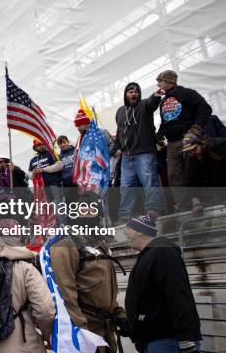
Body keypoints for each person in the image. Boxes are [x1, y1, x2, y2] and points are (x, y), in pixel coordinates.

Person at [50, 195, 128, 352]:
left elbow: (106, 289)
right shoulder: (65, 246)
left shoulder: (101, 246)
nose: (86, 213)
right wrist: (83, 333)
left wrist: (119, 315)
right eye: (82, 209)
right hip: (87, 334)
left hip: (107, 331)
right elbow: (66, 295)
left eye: (91, 209)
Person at [124, 215, 201, 352]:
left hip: (168, 340)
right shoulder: (150, 254)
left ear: (140, 231)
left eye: (128, 229)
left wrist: (185, 338)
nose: (125, 233)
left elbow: (178, 295)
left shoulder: (163, 252)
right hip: (156, 339)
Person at [156, 70, 212, 211]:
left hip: (188, 138)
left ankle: (203, 203)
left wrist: (196, 129)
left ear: (170, 81)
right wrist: (160, 133)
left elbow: (205, 109)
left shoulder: (187, 93)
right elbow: (167, 120)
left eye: (160, 80)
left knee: (193, 172)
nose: (158, 84)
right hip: (172, 143)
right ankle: (184, 208)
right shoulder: (163, 101)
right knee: (174, 176)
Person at [112, 82, 164, 221]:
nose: (133, 93)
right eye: (130, 91)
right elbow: (119, 132)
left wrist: (156, 96)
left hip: (145, 152)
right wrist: (117, 147)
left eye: (136, 91)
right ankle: (125, 214)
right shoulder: (120, 111)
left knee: (149, 181)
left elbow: (152, 103)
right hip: (127, 156)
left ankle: (153, 209)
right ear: (126, 94)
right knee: (126, 186)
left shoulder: (144, 105)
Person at [182, 133, 226, 212]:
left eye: (194, 149)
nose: (192, 153)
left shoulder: (220, 146)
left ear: (202, 144)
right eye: (189, 151)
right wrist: (196, 202)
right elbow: (190, 181)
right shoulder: (192, 158)